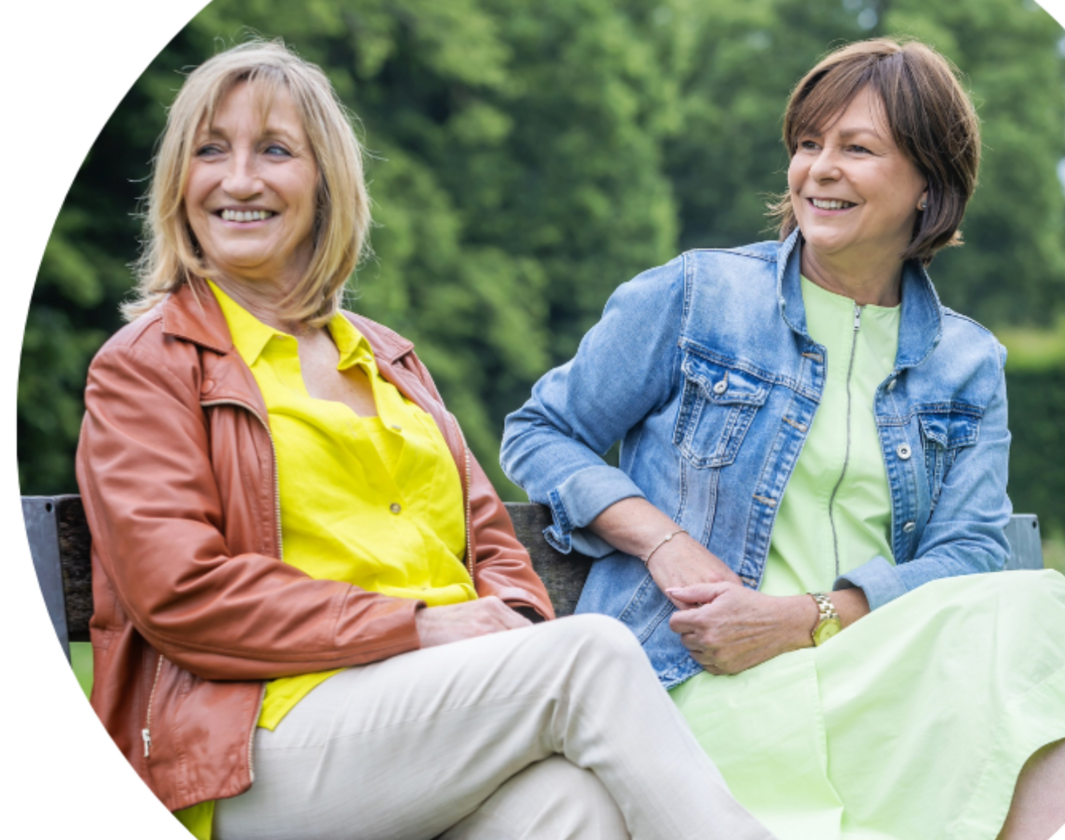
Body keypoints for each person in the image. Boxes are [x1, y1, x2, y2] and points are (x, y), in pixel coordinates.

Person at [75, 39, 778, 840]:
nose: (238, 180)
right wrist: (418, 623)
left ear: (324, 184)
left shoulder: (384, 357)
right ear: (179, 182)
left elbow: (490, 543)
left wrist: (501, 620)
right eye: (210, 152)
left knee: (570, 809)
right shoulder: (148, 367)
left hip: (431, 712)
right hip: (259, 740)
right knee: (592, 656)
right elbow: (182, 594)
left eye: (274, 150)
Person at [501, 38, 1065, 840]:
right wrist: (663, 542)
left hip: (878, 690)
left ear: (929, 184)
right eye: (809, 144)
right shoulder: (696, 297)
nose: (819, 169)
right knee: (1041, 647)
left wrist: (807, 617)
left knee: (1040, 619)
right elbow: (542, 432)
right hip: (697, 685)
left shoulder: (967, 361)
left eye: (858, 149)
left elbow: (970, 553)